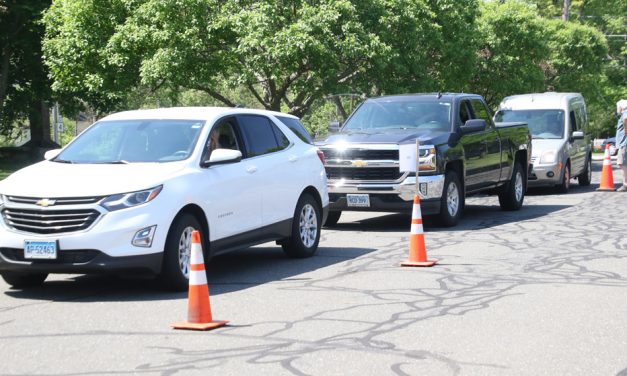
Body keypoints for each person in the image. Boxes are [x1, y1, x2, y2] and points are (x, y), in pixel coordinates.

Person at [616, 99, 627, 192]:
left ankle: (625, 184)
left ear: (621, 107)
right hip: (624, 143)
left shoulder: (625, 112)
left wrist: (626, 130)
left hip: (624, 144)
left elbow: (625, 119)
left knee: (623, 164)